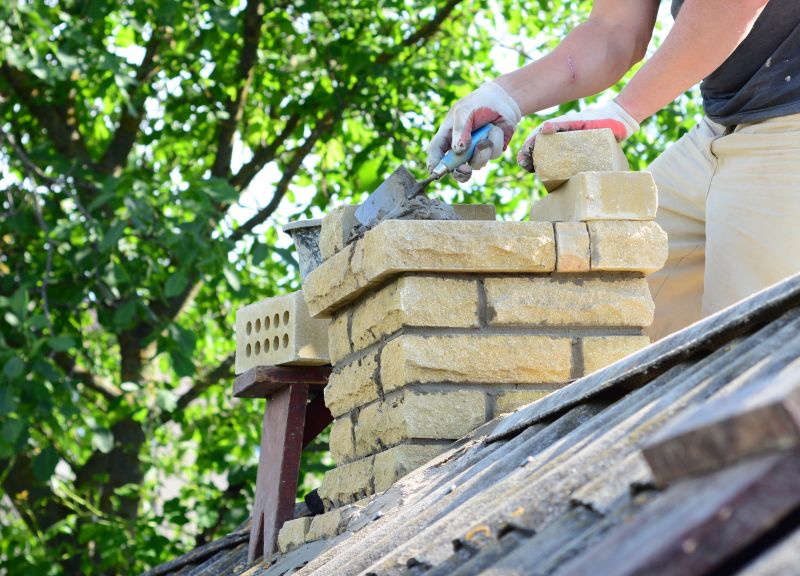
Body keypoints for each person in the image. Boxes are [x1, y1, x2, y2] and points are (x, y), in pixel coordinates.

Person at [428, 0, 800, 340]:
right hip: (721, 128)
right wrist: (505, 96)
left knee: (748, 355)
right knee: (604, 315)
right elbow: (614, 30)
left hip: (789, 125)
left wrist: (625, 111)